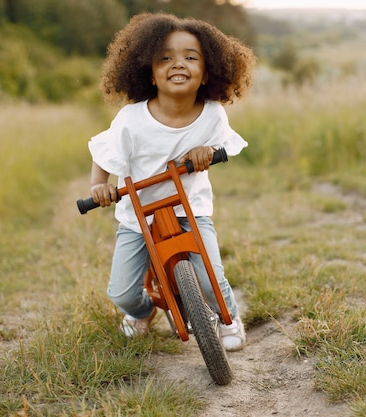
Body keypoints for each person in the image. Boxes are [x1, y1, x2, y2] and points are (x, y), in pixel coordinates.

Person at [87, 13, 256, 352]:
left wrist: (208, 150)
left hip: (189, 209)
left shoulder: (212, 113)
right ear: (148, 71)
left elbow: (225, 144)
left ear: (208, 71)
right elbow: (104, 152)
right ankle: (143, 311)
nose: (178, 64)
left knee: (209, 277)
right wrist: (98, 186)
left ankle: (228, 317)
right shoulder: (131, 119)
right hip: (138, 218)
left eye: (190, 57)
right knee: (120, 292)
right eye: (165, 57)